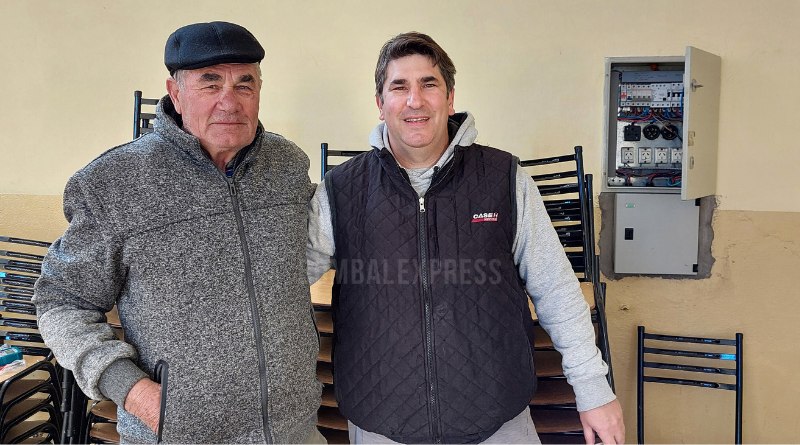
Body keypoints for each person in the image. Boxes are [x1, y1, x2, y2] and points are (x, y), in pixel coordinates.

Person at [307, 32, 625, 444]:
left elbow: (557, 289)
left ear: (450, 97)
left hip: (498, 422)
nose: (415, 100)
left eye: (429, 84)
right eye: (399, 87)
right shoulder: (340, 190)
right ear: (380, 104)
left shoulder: (503, 177)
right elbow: (278, 285)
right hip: (381, 425)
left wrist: (593, 390)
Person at [34, 21, 323, 443]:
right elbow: (61, 303)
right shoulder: (114, 183)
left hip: (293, 430)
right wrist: (134, 393)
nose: (231, 102)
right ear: (175, 93)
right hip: (177, 435)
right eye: (210, 84)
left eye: (245, 84)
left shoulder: (287, 165)